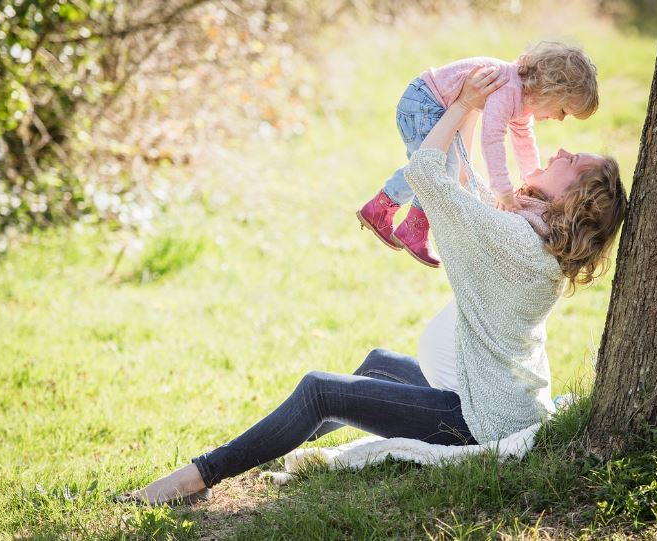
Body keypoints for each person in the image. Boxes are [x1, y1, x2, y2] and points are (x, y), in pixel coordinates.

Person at [117, 66, 626, 506]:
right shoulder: (535, 238)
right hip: (489, 395)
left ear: (575, 200)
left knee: (321, 390)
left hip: (476, 419)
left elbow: (427, 173)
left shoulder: (515, 241)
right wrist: (473, 112)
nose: (561, 149)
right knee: (377, 364)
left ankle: (197, 477)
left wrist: (466, 103)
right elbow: (467, 188)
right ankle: (259, 449)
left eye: (574, 162)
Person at [357, 42, 599, 267]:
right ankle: (403, 221)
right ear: (550, 90)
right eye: (563, 110)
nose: (559, 118)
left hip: (429, 104)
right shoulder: (509, 88)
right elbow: (492, 138)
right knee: (435, 167)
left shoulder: (523, 100)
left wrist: (531, 178)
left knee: (438, 168)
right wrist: (502, 190)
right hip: (423, 103)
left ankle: (394, 216)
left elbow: (524, 140)